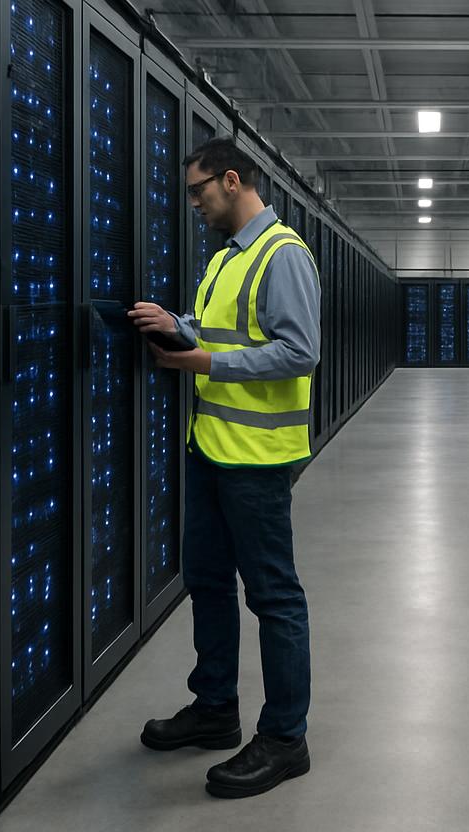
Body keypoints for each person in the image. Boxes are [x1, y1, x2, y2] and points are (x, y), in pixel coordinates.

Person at [129, 136, 320, 798]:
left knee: (272, 596)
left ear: (232, 181)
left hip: (258, 463)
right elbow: (218, 332)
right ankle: (215, 711)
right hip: (208, 449)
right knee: (207, 583)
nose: (193, 204)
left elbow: (300, 352)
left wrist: (203, 361)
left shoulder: (283, 254)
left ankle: (285, 738)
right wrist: (174, 325)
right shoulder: (223, 262)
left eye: (198, 190)